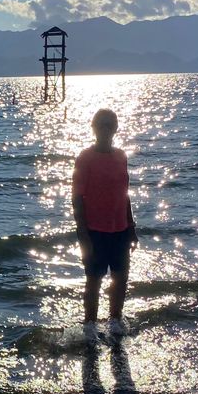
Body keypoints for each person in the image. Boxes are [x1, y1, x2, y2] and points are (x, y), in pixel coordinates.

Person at [72, 108, 139, 343]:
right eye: (101, 124)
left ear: (116, 128)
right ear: (93, 127)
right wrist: (82, 233)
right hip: (94, 230)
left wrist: (131, 227)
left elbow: (125, 194)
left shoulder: (121, 156)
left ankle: (115, 322)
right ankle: (89, 327)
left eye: (110, 124)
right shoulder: (85, 158)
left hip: (120, 228)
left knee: (120, 277)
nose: (106, 129)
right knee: (94, 280)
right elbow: (77, 197)